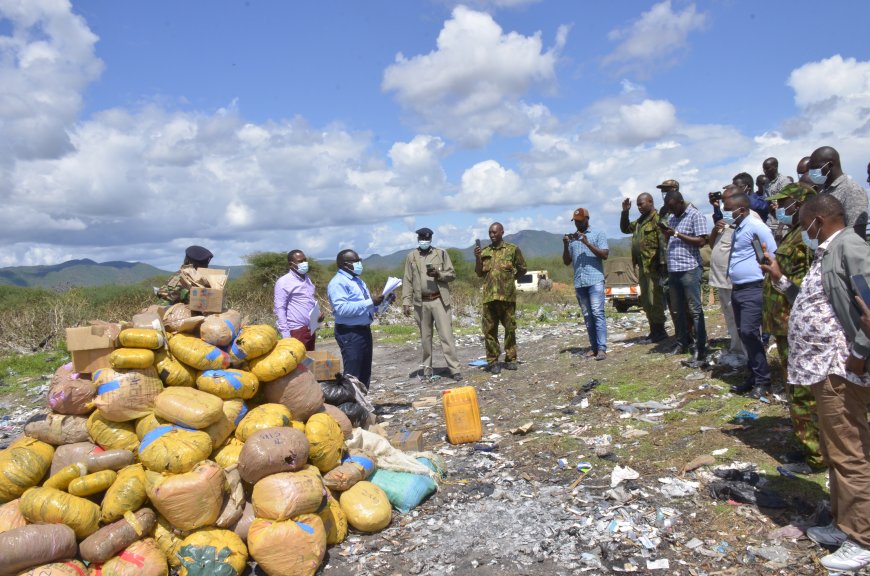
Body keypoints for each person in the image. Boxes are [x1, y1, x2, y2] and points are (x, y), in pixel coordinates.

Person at [760, 194, 870, 572]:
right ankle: (845, 525)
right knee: (839, 451)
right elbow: (816, 302)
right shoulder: (827, 252)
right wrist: (781, 281)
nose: (799, 229)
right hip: (824, 370)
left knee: (850, 453)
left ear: (818, 220)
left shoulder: (850, 247)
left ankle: (863, 539)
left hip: (841, 369)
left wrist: (859, 351)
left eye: (802, 222)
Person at [762, 183, 821, 471]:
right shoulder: (796, 234)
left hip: (794, 321)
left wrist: (777, 272)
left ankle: (816, 454)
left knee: (802, 391)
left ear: (799, 204)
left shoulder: (806, 239)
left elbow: (806, 282)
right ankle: (807, 444)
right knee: (794, 387)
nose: (777, 208)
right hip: (785, 322)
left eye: (783, 203)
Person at [724, 192, 777, 397]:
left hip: (753, 287)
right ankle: (754, 376)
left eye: (729, 210)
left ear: (742, 209)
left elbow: (771, 251)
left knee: (749, 332)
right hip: (738, 288)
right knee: (744, 334)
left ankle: (763, 381)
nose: (726, 214)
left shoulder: (756, 226)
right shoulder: (739, 228)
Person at [401, 227, 462, 381]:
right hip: (421, 303)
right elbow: (407, 280)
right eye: (422, 239)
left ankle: (455, 370)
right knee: (425, 339)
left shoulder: (441, 253)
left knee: (446, 336)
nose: (424, 241)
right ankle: (427, 370)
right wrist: (406, 301)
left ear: (431, 239)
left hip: (439, 300)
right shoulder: (411, 257)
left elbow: (452, 274)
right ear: (418, 239)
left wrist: (439, 274)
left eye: (426, 239)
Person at [327, 249, 390, 391]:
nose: (359, 264)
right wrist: (370, 302)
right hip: (350, 333)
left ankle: (362, 404)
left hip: (363, 330)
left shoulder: (358, 281)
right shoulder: (338, 283)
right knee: (353, 373)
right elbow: (342, 309)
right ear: (345, 264)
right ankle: (351, 405)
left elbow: (365, 307)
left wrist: (383, 303)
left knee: (364, 371)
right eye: (356, 261)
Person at [661, 190, 708, 367]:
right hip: (674, 270)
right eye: (669, 208)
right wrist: (668, 235)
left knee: (695, 311)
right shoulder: (672, 218)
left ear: (681, 202)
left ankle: (700, 348)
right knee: (678, 310)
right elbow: (672, 240)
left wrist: (676, 234)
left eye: (673, 207)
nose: (671, 211)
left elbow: (702, 241)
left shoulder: (696, 215)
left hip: (690, 269)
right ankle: (682, 343)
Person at [708, 185, 752, 368]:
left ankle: (747, 354)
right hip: (721, 278)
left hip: (735, 278)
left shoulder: (750, 220)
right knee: (730, 317)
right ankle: (737, 350)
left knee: (742, 319)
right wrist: (715, 229)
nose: (724, 208)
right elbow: (712, 245)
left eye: (726, 204)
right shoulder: (724, 221)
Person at [475, 222, 527, 374]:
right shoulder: (484, 252)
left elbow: (523, 269)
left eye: (495, 232)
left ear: (502, 232)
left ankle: (511, 359)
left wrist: (511, 280)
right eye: (490, 232)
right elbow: (479, 273)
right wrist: (477, 258)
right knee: (489, 331)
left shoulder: (512, 250)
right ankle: (492, 361)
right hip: (489, 298)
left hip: (507, 298)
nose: (492, 235)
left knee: (510, 329)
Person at [620, 193, 668, 343]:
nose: (639, 207)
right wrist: (625, 212)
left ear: (650, 202)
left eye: (642, 204)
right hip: (642, 267)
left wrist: (662, 264)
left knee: (655, 300)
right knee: (646, 301)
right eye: (638, 205)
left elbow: (663, 243)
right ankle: (653, 330)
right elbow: (625, 229)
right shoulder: (640, 222)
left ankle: (660, 330)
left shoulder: (657, 219)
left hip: (654, 267)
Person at [564, 208, 609, 360]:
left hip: (595, 280)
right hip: (580, 282)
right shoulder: (573, 239)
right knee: (588, 316)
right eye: (575, 221)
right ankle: (594, 347)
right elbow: (566, 261)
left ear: (587, 219)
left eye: (580, 220)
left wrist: (587, 243)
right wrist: (565, 245)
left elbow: (605, 255)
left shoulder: (598, 234)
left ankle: (602, 348)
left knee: (597, 313)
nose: (577, 223)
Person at [807, 146, 869, 238]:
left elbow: (857, 234)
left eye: (815, 168)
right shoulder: (823, 190)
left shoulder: (851, 190)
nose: (811, 172)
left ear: (830, 165)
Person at [274, 249, 323, 351]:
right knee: (298, 364)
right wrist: (286, 336)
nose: (304, 263)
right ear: (291, 264)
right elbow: (280, 309)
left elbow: (309, 301)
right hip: (296, 331)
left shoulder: (307, 279)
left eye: (305, 260)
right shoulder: (283, 282)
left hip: (310, 329)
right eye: (300, 261)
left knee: (309, 363)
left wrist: (317, 315)